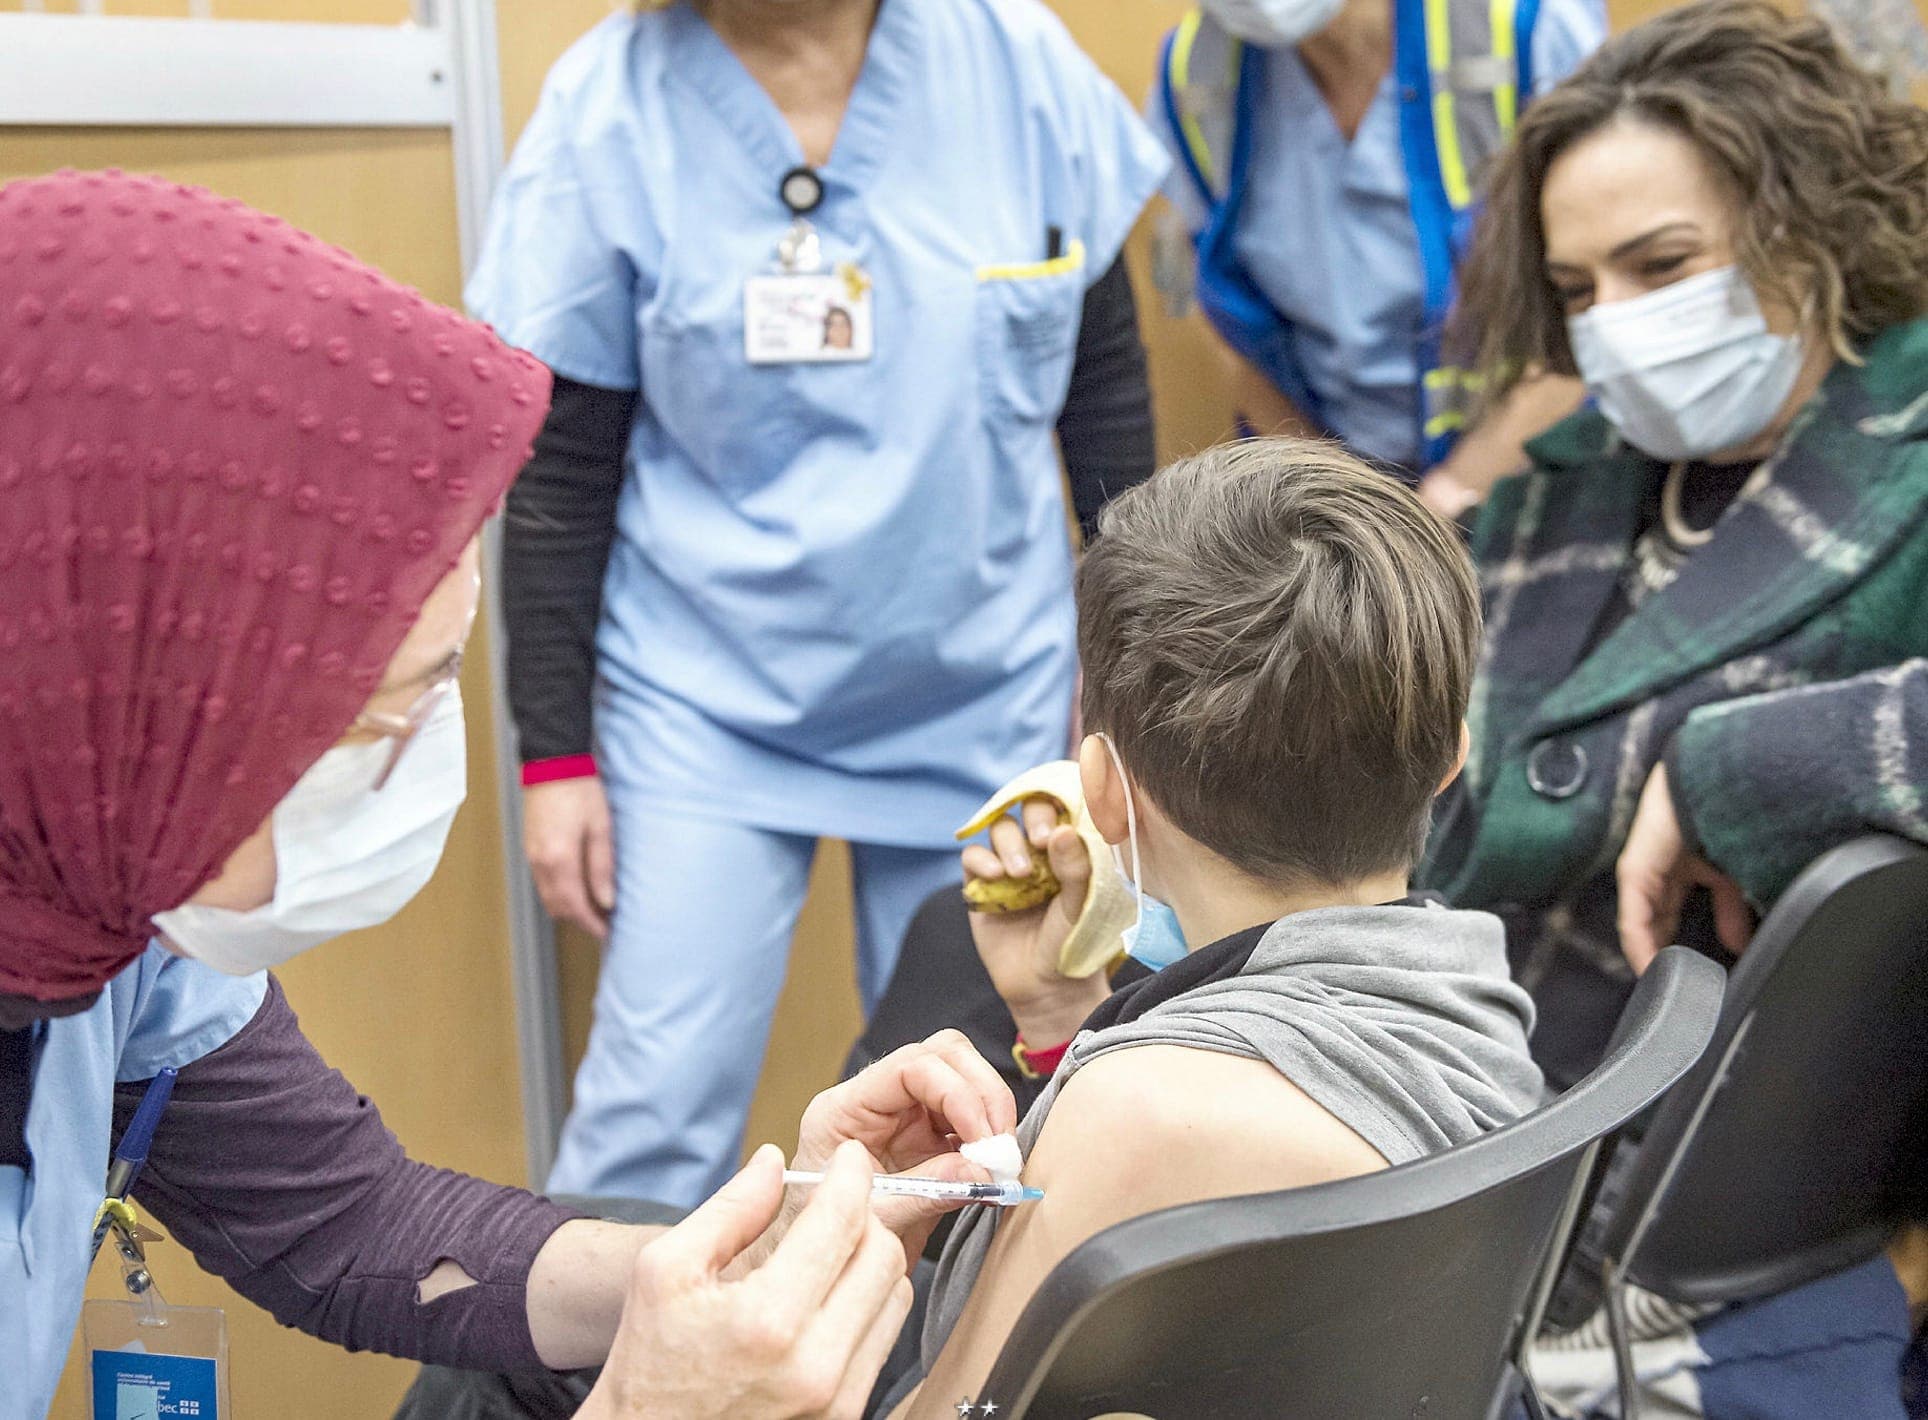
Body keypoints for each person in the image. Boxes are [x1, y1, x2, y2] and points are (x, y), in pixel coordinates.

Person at [0, 170, 1019, 1420]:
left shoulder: (106, 910)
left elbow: (346, 1222)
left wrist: (756, 1252)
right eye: (386, 708)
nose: (415, 762)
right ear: (127, 698)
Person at [467, 0, 1169, 1211]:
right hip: (706, 705)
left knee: (983, 1115)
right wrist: (555, 757)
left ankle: (927, 1386)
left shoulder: (1017, 65)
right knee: (650, 1112)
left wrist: (1124, 697)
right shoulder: (609, 108)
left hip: (984, 692)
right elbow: (562, 467)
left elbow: (1103, 403)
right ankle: (586, 1391)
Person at [1419, 3, 1928, 1409]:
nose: (1621, 327)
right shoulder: (1546, 496)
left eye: (1665, 266)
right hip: (1471, 1127)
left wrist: (1741, 768)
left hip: (1728, 1221)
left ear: (1808, 226)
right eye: (1581, 291)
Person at [871, 441, 1545, 1415]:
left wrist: (857, 1241)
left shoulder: (1144, 1111)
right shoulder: (1472, 994)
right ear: (1450, 759)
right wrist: (1064, 1011)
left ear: (1101, 790)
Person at [1146, 0, 1604, 514]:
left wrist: (1452, 493)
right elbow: (1220, 312)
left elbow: (1609, 299)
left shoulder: (1524, 29)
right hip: (1330, 481)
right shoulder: (1195, 76)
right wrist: (1335, 505)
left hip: (1531, 465)